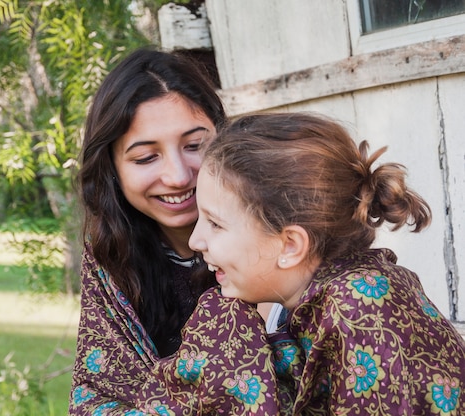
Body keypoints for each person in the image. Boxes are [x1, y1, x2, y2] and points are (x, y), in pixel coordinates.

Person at [188, 111, 465, 415]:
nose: (195, 241)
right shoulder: (298, 303)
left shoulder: (359, 311)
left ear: (290, 245)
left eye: (215, 224)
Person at [69, 47, 284, 415]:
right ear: (112, 169)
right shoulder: (112, 255)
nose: (178, 176)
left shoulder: (285, 234)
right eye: (146, 157)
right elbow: (96, 397)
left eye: (195, 146)